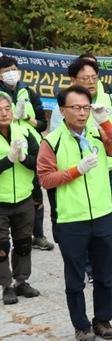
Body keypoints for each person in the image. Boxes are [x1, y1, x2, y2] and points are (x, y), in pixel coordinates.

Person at [38, 85, 112, 341]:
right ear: (62, 110)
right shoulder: (51, 141)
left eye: (86, 107)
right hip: (72, 220)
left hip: (102, 215)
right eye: (75, 108)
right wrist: (76, 171)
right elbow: (45, 179)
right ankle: (81, 325)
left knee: (104, 274)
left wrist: (107, 123)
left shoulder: (98, 134)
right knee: (75, 278)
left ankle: (103, 320)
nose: (82, 113)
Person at [52, 57, 112, 280]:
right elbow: (54, 140)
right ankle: (88, 267)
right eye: (85, 78)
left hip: (108, 169)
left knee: (109, 218)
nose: (90, 82)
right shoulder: (63, 105)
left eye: (94, 77)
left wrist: (108, 127)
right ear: (73, 80)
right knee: (84, 220)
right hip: (77, 173)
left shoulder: (108, 97)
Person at [0, 55, 53, 251]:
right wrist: (12, 118)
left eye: (14, 69)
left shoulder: (29, 93)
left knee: (36, 194)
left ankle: (38, 235)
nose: (11, 73)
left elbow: (42, 124)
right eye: (6, 71)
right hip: (5, 147)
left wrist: (27, 117)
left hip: (30, 149)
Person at [0, 95, 40, 304]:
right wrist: (7, 161)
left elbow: (39, 162)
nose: (4, 113)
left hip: (24, 198)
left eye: (7, 108)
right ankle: (6, 286)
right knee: (1, 247)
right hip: (0, 202)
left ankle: (21, 281)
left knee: (24, 243)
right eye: (0, 110)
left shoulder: (24, 131)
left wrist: (24, 159)